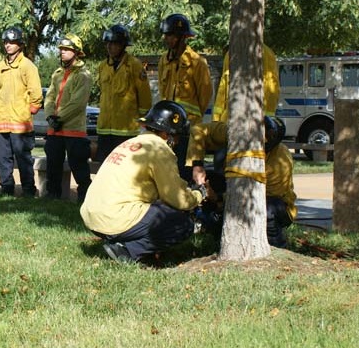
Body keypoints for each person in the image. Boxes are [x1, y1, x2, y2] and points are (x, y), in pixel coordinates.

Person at [80, 100, 207, 265]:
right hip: (115, 218)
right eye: (176, 136)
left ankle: (124, 243)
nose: (176, 142)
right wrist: (199, 194)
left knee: (160, 208)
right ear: (167, 134)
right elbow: (178, 199)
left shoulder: (131, 143)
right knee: (181, 224)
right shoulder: (159, 150)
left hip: (92, 215)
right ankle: (127, 250)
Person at [188, 115, 297, 247]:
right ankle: (211, 228)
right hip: (235, 188)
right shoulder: (234, 131)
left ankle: (276, 246)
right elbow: (198, 130)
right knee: (204, 180)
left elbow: (257, 198)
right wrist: (197, 165)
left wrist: (218, 198)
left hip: (272, 202)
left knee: (267, 210)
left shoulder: (280, 162)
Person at [157, 13, 213, 176]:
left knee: (184, 169)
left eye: (171, 35)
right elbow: (162, 90)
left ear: (182, 37)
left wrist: (191, 119)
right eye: (166, 35)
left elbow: (205, 94)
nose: (167, 39)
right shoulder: (163, 61)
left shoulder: (197, 62)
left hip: (189, 127)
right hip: (168, 126)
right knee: (167, 167)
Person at [209, 42, 280, 170]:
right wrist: (216, 122)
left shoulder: (265, 54)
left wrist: (265, 123)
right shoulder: (232, 54)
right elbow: (223, 89)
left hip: (247, 126)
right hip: (232, 125)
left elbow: (272, 90)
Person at [43, 34, 93, 202]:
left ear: (77, 52)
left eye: (67, 49)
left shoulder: (83, 75)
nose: (63, 52)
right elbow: (49, 97)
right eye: (61, 49)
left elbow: (78, 102)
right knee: (53, 166)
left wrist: (58, 118)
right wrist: (50, 116)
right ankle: (53, 196)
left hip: (74, 131)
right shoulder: (57, 74)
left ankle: (84, 198)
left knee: (79, 167)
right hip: (55, 130)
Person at [94, 24, 153, 163]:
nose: (109, 47)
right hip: (104, 130)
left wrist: (142, 122)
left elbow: (145, 97)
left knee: (125, 169)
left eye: (114, 44)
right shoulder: (103, 66)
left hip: (127, 131)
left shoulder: (134, 65)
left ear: (123, 45)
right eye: (107, 43)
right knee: (104, 169)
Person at [0, 26, 42, 197]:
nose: (8, 45)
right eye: (6, 42)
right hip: (3, 123)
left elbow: (36, 93)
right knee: (3, 160)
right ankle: (6, 190)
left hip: (21, 124)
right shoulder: (0, 66)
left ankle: (28, 191)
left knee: (23, 160)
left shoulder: (28, 66)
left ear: (20, 45)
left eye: (12, 42)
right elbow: (0, 90)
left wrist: (29, 110)